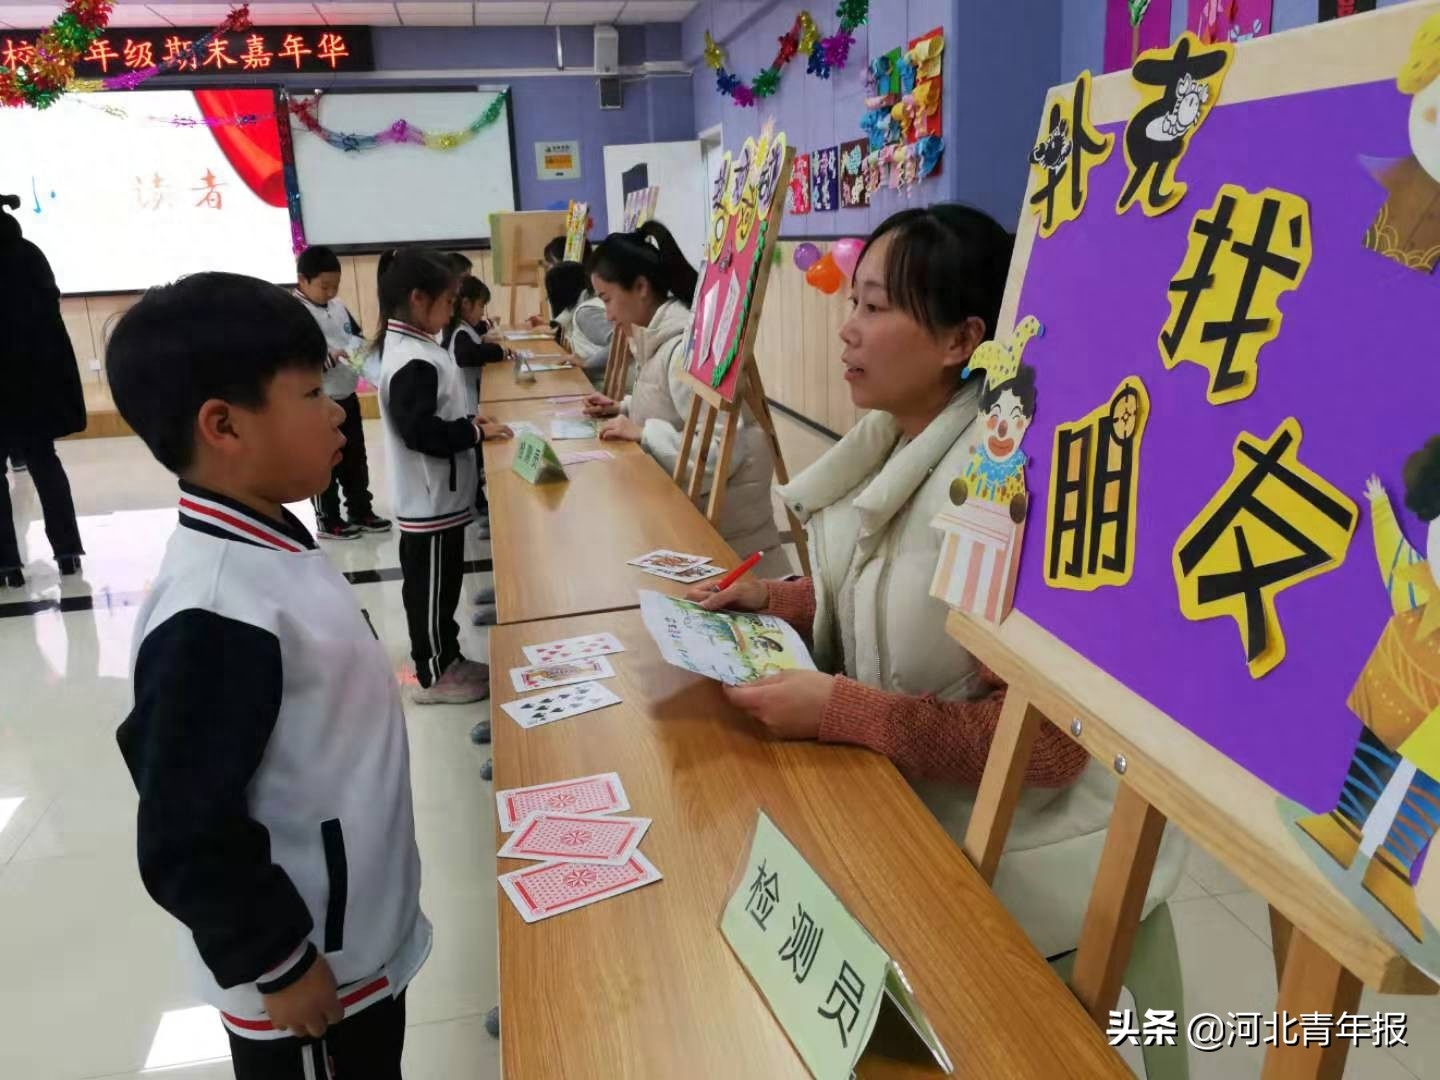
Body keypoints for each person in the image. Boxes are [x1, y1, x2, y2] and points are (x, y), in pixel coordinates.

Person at [688, 205, 1186, 959]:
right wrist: (774, 600)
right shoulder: (897, 439)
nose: (846, 327)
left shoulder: (1001, 483)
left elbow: (1047, 747)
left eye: (876, 306)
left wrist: (845, 710)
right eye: (852, 301)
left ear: (962, 340)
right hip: (913, 806)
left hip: (1020, 859)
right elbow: (895, 604)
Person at [106, 272, 430, 1078]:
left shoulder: (267, 535)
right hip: (308, 975)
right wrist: (277, 962)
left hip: (354, 934)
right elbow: (183, 828)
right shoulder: (214, 609)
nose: (338, 407)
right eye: (311, 390)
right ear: (223, 425)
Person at [583, 221, 789, 577]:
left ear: (641, 287)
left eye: (607, 299)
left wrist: (645, 434)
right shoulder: (661, 339)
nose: (609, 314)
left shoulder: (683, 349)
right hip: (708, 520)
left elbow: (722, 448)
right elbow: (676, 407)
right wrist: (626, 407)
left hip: (730, 540)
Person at [374, 248, 511, 710]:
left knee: (442, 586)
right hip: (428, 502)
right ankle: (434, 673)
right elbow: (420, 431)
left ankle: (447, 656)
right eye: (448, 300)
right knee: (430, 593)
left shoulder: (420, 347)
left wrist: (473, 420)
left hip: (442, 499)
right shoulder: (413, 358)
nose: (453, 309)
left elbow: (442, 412)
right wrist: (470, 430)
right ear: (418, 298)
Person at [0, 192, 85, 588]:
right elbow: (50, 319)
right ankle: (68, 553)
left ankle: (7, 565)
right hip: (33, 384)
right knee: (45, 462)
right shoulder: (30, 256)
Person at [292, 245, 390, 540]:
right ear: (302, 280)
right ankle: (328, 518)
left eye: (335, 286)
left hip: (346, 394)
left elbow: (355, 337)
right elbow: (292, 359)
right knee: (326, 460)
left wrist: (364, 353)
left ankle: (360, 509)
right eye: (324, 286)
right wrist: (329, 357)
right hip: (318, 401)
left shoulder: (338, 306)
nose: (331, 292)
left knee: (355, 457)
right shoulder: (295, 313)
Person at [442, 275, 505, 544]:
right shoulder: (459, 332)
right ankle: (480, 513)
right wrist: (498, 352)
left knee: (478, 462)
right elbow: (466, 356)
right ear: (465, 304)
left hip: (470, 404)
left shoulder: (466, 329)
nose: (482, 313)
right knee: (475, 464)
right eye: (480, 306)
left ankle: (482, 511)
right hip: (465, 406)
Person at [545, 260, 612, 388]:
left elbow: (622, 342)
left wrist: (587, 363)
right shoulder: (583, 305)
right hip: (598, 382)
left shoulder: (586, 312)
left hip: (604, 386)